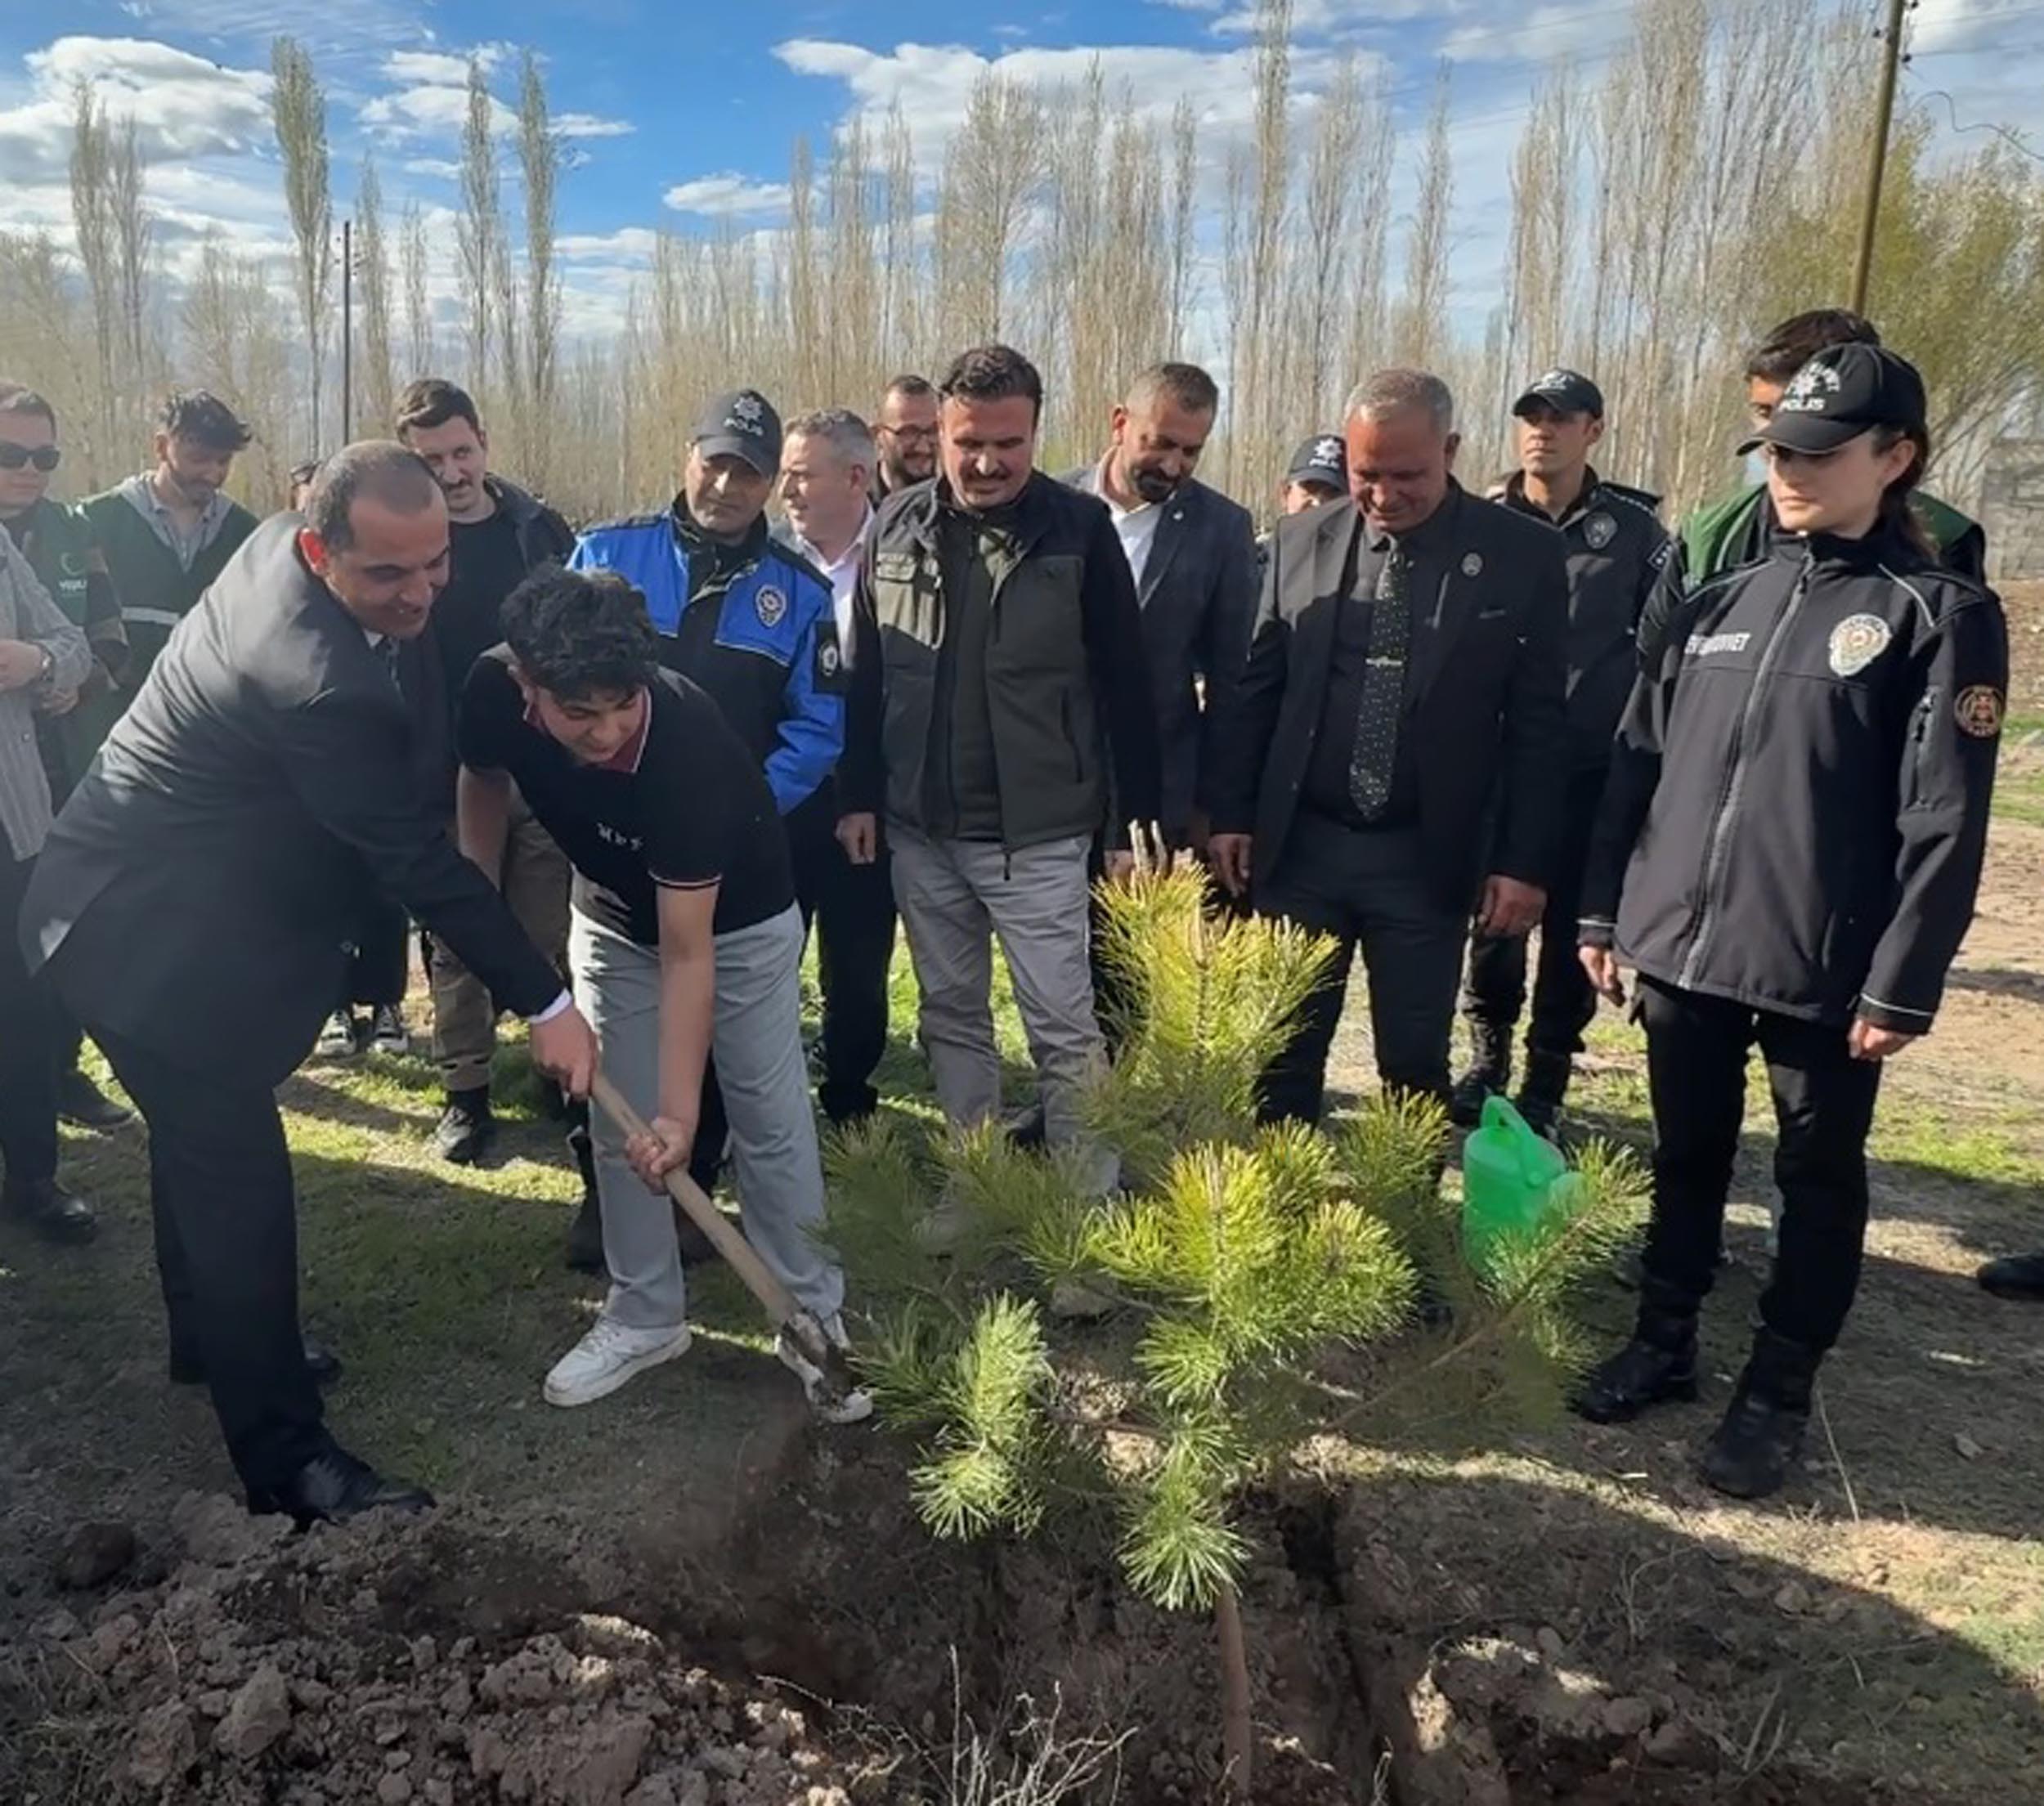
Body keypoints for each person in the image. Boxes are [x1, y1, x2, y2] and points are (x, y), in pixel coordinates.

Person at [21, 442, 600, 1526]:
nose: (421, 593)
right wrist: (549, 1002)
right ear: (318, 550)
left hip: (168, 906)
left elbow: (407, 739)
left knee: (198, 1149)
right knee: (237, 1179)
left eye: (435, 563)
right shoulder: (311, 677)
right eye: (388, 574)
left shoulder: (293, 555)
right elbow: (416, 858)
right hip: (130, 934)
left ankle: (209, 1339)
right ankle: (287, 1460)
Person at [1572, 344, 2007, 1499]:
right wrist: (1607, 908)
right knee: (1686, 1154)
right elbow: (1637, 764)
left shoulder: (1935, 614)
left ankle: (1775, 1390)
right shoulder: (1718, 600)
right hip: (1684, 944)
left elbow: (1944, 817)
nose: (1790, 473)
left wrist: (1903, 978)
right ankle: (1664, 1339)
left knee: (1816, 1176)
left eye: (1819, 454)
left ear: (1896, 458)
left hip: (1825, 964)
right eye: (1778, 453)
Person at [455, 563, 869, 1421]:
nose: (606, 731)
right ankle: (645, 1313)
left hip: (738, 926)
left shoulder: (684, 750)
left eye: (622, 704)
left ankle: (810, 1314)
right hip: (610, 919)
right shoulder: (490, 689)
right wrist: (475, 891)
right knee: (619, 1124)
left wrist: (680, 1116)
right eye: (580, 713)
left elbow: (688, 954)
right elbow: (482, 777)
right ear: (528, 682)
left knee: (767, 1117)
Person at [837, 343, 1161, 1204]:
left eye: (1007, 444)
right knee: (950, 1016)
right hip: (921, 831)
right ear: (939, 431)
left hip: (1039, 837)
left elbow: (1127, 686)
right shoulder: (893, 524)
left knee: (1063, 1028)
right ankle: (973, 1187)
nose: (986, 463)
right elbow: (867, 674)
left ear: (1036, 433)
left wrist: (1127, 826)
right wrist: (859, 795)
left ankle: (1085, 1201)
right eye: (968, 443)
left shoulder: (1080, 531)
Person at [1205, 367, 1569, 1123]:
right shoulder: (1300, 541)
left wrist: (1523, 863)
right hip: (1303, 848)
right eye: (1367, 474)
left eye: (1407, 476)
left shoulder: (1521, 554)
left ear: (1451, 450)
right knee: (1283, 1055)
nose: (1384, 495)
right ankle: (1282, 1190)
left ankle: (1403, 1192)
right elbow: (1255, 690)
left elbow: (1539, 726)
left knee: (1412, 1062)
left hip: (1422, 855)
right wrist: (1231, 814)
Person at [570, 389, 844, 1205]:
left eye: (747, 473)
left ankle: (702, 1173)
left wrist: (736, 812)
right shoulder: (604, 552)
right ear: (688, 455)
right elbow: (548, 688)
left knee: (734, 1049)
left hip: (729, 864)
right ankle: (609, 1197)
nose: (725, 485)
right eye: (715, 463)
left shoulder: (799, 592)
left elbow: (818, 728)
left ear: (771, 484)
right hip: (613, 859)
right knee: (618, 1041)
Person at [1452, 370, 1670, 1136]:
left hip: (1589, 770)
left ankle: (1546, 1077)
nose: (1541, 431)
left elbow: (1660, 650)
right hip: (1501, 765)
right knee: (1495, 923)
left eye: (1560, 418)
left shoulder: (1636, 534)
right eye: (1530, 417)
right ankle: (1486, 1060)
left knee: (1574, 927)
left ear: (1594, 430)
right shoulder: (1482, 519)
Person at [392, 379, 581, 1202]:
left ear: (484, 444)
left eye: (461, 452)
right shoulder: (404, 539)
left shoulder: (537, 528)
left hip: (537, 766)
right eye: (431, 460)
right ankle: (465, 1091)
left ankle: (552, 1060)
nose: (451, 471)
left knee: (544, 927)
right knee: (460, 934)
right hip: (441, 771)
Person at [0, 383, 133, 1132]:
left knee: (66, 931)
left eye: (43, 456)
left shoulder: (72, 529)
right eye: (10, 453)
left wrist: (59, 680)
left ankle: (63, 1071)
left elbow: (109, 639)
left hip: (69, 758)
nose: (29, 470)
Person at [776, 407, 895, 1128]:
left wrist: (863, 797)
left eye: (801, 475)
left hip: (868, 804)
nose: (787, 490)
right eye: (785, 475)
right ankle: (764, 1098)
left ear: (856, 477)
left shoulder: (903, 556)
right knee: (768, 956)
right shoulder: (768, 562)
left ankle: (850, 1098)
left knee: (857, 964)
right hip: (783, 800)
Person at [1678, 309, 1986, 588]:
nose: (1778, 434)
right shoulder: (1710, 536)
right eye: (1764, 411)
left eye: (1798, 415)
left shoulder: (1945, 538)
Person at [0, 516, 94, 1243]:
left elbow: (73, 645)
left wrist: (35, 661)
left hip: (13, 823)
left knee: (21, 1007)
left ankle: (33, 1176)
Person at [81, 390, 259, 692]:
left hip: (205, 708)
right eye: (199, 459)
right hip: (114, 708)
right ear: (161, 447)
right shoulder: (95, 521)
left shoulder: (246, 534)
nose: (213, 474)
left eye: (224, 461)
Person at [872, 374, 940, 504]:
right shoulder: (856, 507)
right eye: (909, 433)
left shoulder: (956, 505)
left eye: (933, 431)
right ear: (879, 436)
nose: (923, 448)